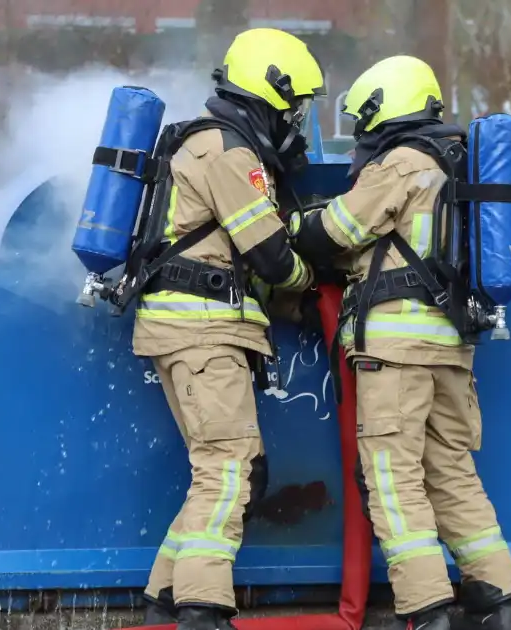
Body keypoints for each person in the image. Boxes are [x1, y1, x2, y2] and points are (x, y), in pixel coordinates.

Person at [289, 55, 511, 630]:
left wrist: (291, 228)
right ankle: (498, 601)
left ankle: (425, 609)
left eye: (365, 118)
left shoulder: (400, 163)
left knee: (393, 479)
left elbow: (337, 231)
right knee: (451, 471)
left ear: (385, 108)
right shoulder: (457, 160)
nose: (363, 133)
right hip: (451, 344)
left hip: (396, 349)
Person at [131, 27, 324, 630]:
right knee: (229, 470)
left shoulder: (211, 144)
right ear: (268, 95)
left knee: (229, 465)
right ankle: (202, 611)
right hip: (203, 333)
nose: (295, 120)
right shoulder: (228, 152)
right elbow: (270, 255)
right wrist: (310, 278)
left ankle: (165, 600)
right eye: (292, 106)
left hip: (193, 330)